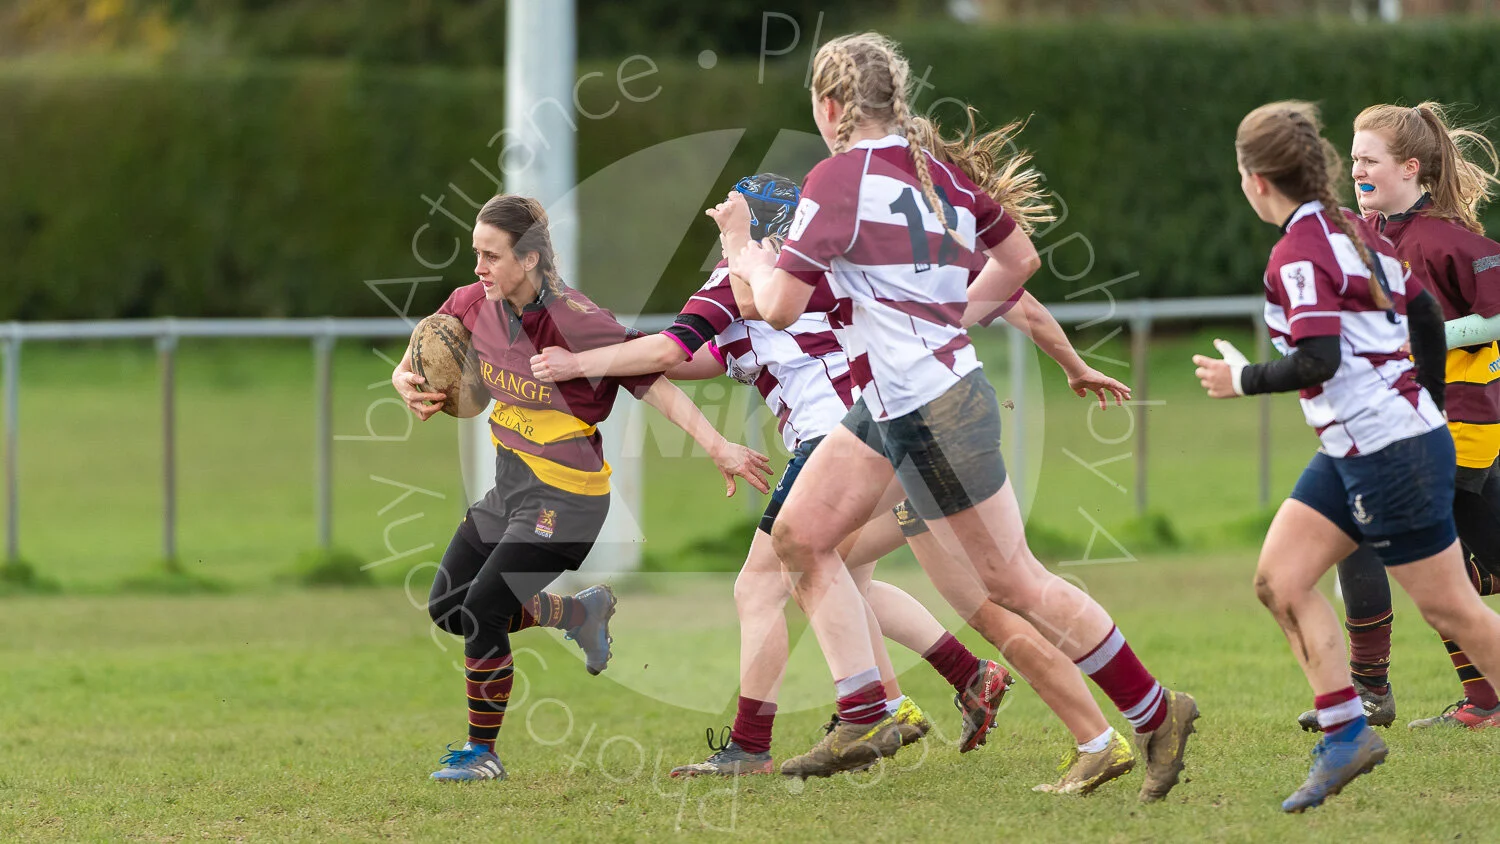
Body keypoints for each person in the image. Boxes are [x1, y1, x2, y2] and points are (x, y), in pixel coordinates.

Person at [534, 165, 1139, 794]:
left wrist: (579, 359)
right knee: (934, 591)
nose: (720, 222)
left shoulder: (741, 280)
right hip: (905, 437)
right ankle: (1000, 701)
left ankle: (782, 736)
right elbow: (686, 358)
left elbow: (666, 352)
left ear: (760, 228)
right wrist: (1073, 365)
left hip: (851, 445)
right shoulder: (833, 262)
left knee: (766, 583)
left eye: (732, 213)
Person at [725, 31, 1197, 799]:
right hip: (898, 406)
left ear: (831, 104)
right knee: (799, 537)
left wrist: (744, 253)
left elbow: (777, 305)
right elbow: (1021, 261)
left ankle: (1155, 710)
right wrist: (953, 319)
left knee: (1015, 585)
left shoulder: (838, 178)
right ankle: (867, 709)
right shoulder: (932, 173)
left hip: (932, 411)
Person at [389, 194, 773, 782]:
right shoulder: (474, 302)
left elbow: (653, 381)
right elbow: (426, 346)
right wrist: (404, 379)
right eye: (476, 254)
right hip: (510, 494)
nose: (478, 268)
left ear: (531, 258)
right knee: (448, 609)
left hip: (568, 503)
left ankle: (480, 753)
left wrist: (716, 444)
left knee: (485, 610)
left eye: (491, 256)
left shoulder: (579, 320)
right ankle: (578, 613)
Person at [1193, 100, 1500, 812]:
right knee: (1280, 579)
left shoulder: (1302, 250)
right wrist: (1420, 395)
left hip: (1389, 452)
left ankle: (1358, 720)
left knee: (1456, 611)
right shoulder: (1352, 232)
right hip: (1356, 446)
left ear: (1256, 180)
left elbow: (1318, 359)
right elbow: (1423, 316)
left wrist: (1241, 380)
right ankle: (1346, 733)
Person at [1297, 102, 1500, 731]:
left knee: (1380, 540)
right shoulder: (1363, 236)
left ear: (1410, 167)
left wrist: (1421, 336)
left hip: (1456, 422)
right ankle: (1476, 699)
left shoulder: (1456, 242)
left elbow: (1494, 319)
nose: (1355, 169)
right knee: (1450, 559)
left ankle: (1370, 691)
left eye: (1368, 160)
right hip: (1388, 420)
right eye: (1352, 158)